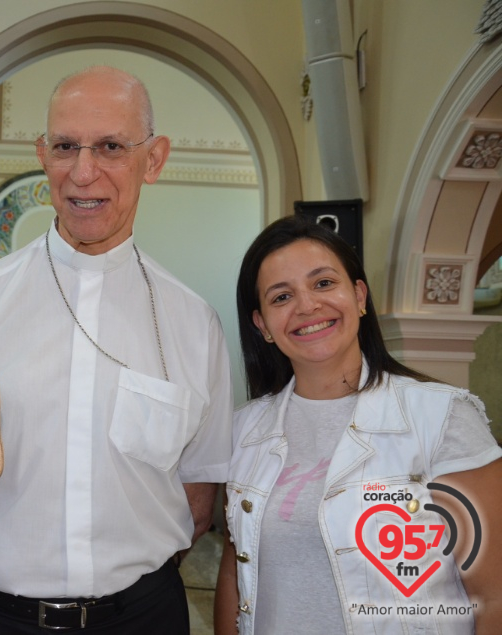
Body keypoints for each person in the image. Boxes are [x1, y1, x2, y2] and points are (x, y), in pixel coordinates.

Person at [0, 66, 233, 633]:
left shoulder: (194, 321)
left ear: (153, 159)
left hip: (140, 619)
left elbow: (197, 498)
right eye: (65, 146)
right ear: (43, 154)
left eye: (110, 147)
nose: (84, 171)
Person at [214, 216, 502, 633]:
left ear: (359, 295)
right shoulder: (243, 431)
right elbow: (233, 570)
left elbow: (493, 594)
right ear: (263, 326)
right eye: (281, 297)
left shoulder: (443, 418)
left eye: (324, 283)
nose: (307, 306)